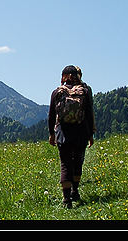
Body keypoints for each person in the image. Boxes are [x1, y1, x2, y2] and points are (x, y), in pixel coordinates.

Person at [48, 65, 96, 208]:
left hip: (63, 133)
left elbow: (51, 115)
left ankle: (66, 199)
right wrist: (91, 134)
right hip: (81, 132)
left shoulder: (57, 92)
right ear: (77, 76)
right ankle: (75, 191)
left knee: (65, 165)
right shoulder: (84, 92)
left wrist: (52, 134)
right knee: (78, 163)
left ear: (64, 76)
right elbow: (89, 114)